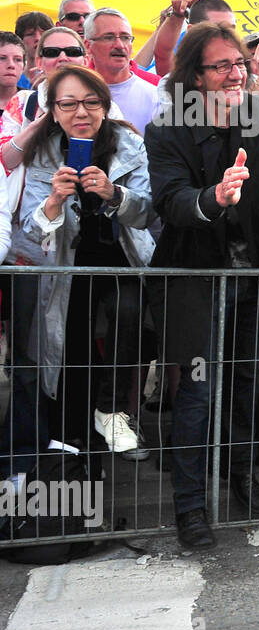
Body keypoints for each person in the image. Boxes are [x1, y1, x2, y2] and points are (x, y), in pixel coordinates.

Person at [147, 22, 259, 548]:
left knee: (249, 381)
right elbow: (171, 199)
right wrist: (215, 199)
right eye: (221, 65)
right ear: (194, 76)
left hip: (257, 273)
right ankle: (190, 507)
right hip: (195, 274)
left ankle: (240, 473)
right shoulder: (168, 125)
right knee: (198, 393)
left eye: (240, 64)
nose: (235, 74)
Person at [21, 65, 154, 460]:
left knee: (128, 316)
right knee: (71, 344)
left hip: (122, 257)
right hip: (68, 263)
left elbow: (148, 213)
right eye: (69, 104)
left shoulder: (128, 143)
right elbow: (31, 227)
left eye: (91, 102)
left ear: (105, 104)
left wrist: (114, 194)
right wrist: (53, 202)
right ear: (53, 111)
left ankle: (111, 411)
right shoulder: (43, 151)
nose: (81, 112)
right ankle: (76, 440)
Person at [83, 10, 161, 132]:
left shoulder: (156, 95)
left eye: (125, 38)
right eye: (109, 37)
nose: (120, 45)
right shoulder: (74, 93)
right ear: (88, 46)